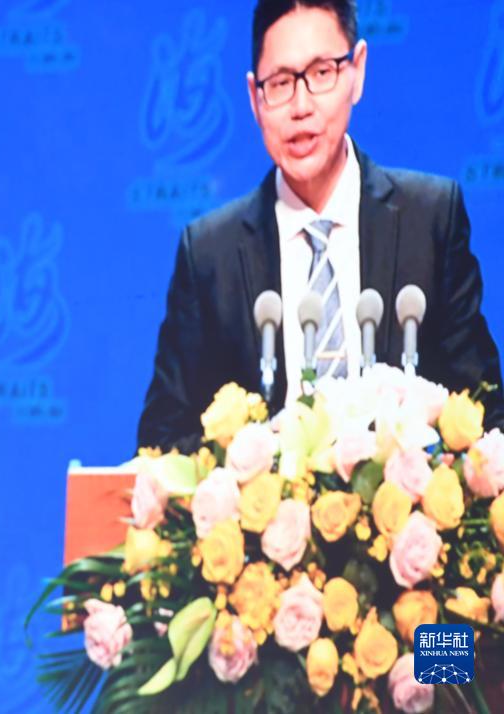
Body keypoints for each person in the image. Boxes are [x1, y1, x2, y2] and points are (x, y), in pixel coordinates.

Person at [138, 0, 504, 452]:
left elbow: (483, 416)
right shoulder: (210, 255)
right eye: (280, 83)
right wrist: (253, 460)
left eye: (321, 73)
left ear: (357, 71)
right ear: (255, 98)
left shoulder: (429, 220)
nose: (301, 105)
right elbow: (162, 438)